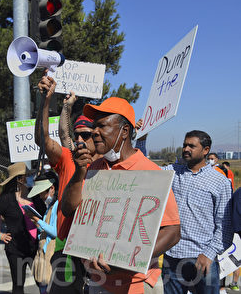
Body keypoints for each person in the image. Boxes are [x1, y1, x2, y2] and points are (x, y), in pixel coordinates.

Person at [62, 97, 181, 293]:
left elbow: (173, 232)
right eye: (94, 126)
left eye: (102, 126)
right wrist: (79, 172)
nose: (94, 132)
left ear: (124, 131)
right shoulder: (93, 169)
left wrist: (126, 260)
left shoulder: (151, 173)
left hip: (135, 285)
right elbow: (68, 210)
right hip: (97, 282)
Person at [35, 74, 101, 293]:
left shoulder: (106, 166)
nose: (81, 140)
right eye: (78, 135)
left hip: (96, 253)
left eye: (87, 135)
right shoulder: (67, 158)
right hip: (66, 250)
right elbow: (44, 139)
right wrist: (46, 101)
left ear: (98, 137)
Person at [161, 130, 233, 293]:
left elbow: (225, 226)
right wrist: (140, 138)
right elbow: (146, 170)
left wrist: (209, 254)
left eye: (192, 146)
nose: (186, 149)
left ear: (206, 150)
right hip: (172, 257)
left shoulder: (219, 182)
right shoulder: (173, 172)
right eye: (185, 145)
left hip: (201, 259)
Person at [0, 162, 38, 294]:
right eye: (27, 176)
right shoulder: (7, 199)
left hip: (36, 248)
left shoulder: (36, 196)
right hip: (15, 249)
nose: (30, 178)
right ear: (19, 179)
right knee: (18, 285)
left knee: (43, 281)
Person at [26, 171, 59, 294]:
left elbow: (55, 232)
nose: (40, 196)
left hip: (50, 255)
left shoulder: (56, 205)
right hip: (44, 254)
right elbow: (46, 229)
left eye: (41, 192)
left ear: (52, 188)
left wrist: (37, 220)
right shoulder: (50, 206)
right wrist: (36, 222)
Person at [231, 187, 241, 291]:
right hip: (236, 234)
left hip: (235, 232)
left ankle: (234, 283)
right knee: (234, 260)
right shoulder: (239, 194)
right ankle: (234, 283)